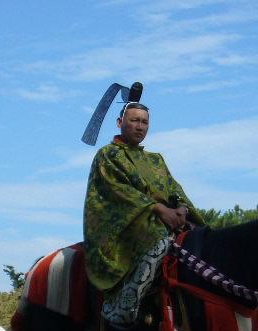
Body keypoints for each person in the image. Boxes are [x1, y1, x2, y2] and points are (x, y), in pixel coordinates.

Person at [83, 97, 204, 308]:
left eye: (144, 122)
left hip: (168, 218)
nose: (140, 127)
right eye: (134, 121)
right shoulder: (107, 155)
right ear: (120, 122)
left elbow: (174, 188)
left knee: (203, 239)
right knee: (158, 239)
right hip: (131, 224)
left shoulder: (156, 159)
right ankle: (127, 304)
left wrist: (182, 209)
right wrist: (158, 209)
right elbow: (118, 191)